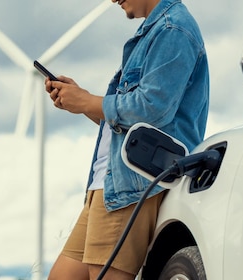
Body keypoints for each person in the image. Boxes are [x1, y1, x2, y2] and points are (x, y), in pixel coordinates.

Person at [45, 0, 209, 279]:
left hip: (130, 187)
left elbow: (151, 109)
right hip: (107, 185)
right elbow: (128, 123)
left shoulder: (173, 29)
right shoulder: (154, 31)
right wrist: (82, 101)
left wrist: (87, 100)